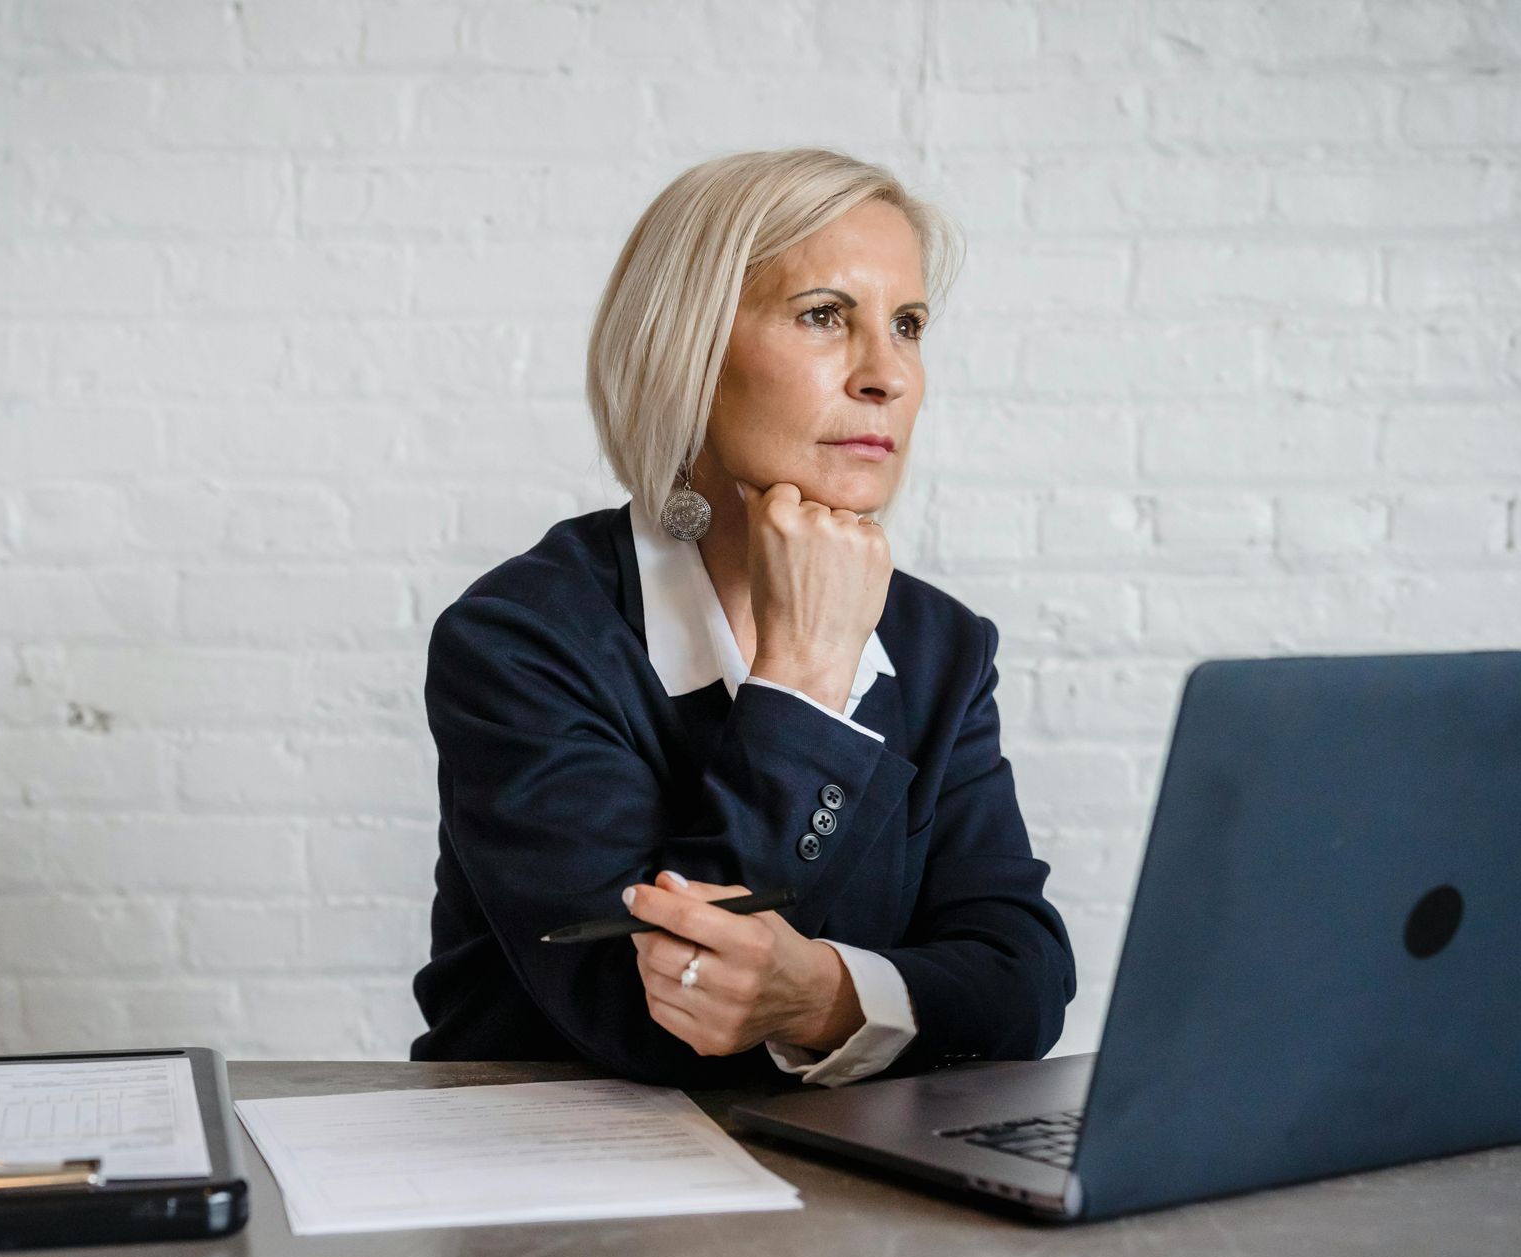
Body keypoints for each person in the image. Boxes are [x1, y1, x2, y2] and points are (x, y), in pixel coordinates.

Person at [410, 147, 1075, 1088]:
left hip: (845, 1190)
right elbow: (648, 1021)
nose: (887, 374)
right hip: (560, 1191)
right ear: (689, 353)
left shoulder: (942, 646)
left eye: (910, 325)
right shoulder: (523, 638)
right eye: (823, 318)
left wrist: (826, 997)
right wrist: (805, 669)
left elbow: (1025, 981)